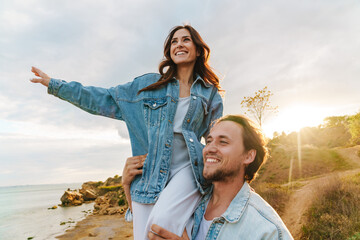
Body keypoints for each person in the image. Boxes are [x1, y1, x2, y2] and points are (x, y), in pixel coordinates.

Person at [30, 25, 223, 240]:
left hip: (189, 169)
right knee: (143, 236)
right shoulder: (147, 85)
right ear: (169, 51)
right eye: (174, 41)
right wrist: (55, 86)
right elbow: (102, 98)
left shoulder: (210, 93)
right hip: (148, 174)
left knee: (161, 223)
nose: (179, 44)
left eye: (186, 40)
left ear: (197, 50)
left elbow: (217, 141)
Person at [129, 114, 292, 239]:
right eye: (209, 141)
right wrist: (127, 185)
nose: (209, 149)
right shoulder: (190, 197)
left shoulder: (266, 229)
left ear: (248, 156)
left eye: (223, 142)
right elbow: (147, 220)